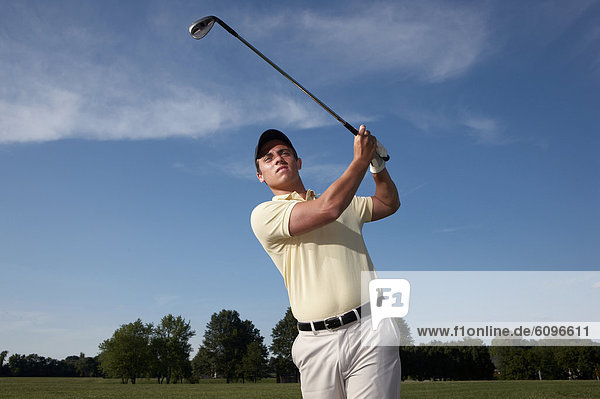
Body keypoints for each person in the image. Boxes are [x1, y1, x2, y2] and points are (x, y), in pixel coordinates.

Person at [251, 125, 401, 398]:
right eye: (268, 158)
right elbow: (328, 209)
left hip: (369, 329)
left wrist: (377, 166)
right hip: (314, 343)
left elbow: (388, 203)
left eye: (284, 152)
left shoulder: (345, 202)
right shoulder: (264, 214)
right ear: (260, 176)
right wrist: (360, 160)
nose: (278, 158)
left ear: (298, 162)